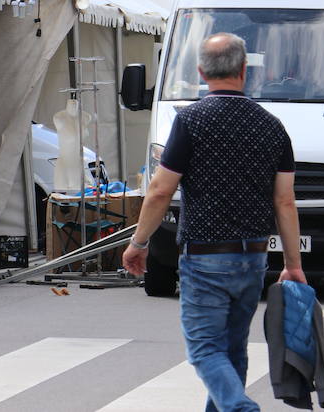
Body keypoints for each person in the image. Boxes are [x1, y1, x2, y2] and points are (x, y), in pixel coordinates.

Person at [124, 32, 305, 412]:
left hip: (205, 255)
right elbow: (285, 201)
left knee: (205, 348)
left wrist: (139, 243)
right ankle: (232, 403)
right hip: (253, 256)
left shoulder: (190, 121)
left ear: (201, 71)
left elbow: (160, 190)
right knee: (233, 350)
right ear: (244, 70)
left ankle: (239, 406)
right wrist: (293, 264)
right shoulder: (273, 127)